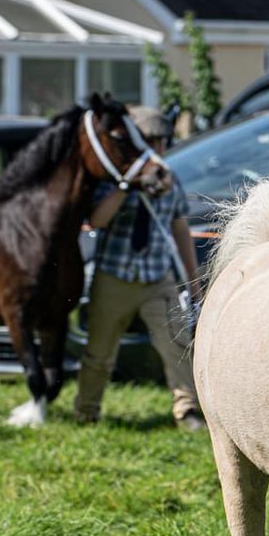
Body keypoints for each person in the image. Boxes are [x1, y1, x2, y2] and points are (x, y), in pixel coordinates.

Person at [73, 105, 206, 431]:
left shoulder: (169, 179)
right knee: (99, 351)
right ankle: (87, 411)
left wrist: (193, 283)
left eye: (162, 141)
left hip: (158, 278)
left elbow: (180, 229)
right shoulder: (113, 180)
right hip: (114, 277)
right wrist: (128, 186)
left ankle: (187, 410)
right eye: (149, 140)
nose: (157, 148)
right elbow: (97, 220)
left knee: (177, 346)